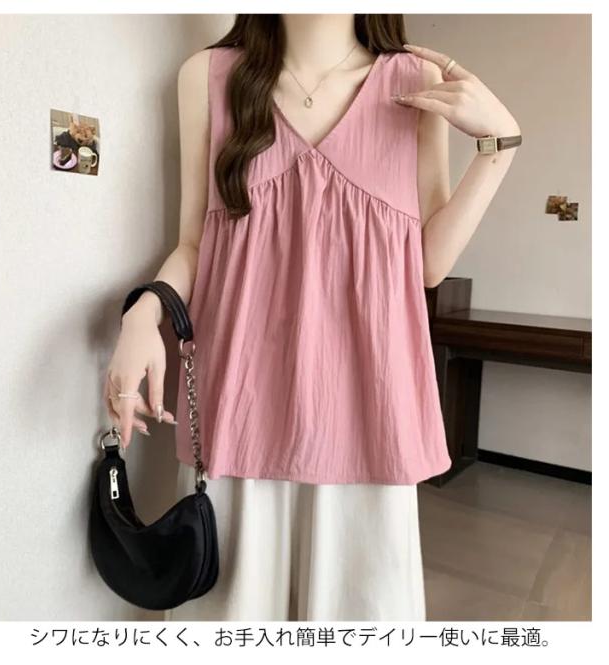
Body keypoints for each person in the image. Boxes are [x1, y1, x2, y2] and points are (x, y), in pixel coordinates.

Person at [104, 14, 521, 621]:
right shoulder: (208, 76)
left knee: (359, 618)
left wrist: (499, 147)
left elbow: (427, 264)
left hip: (367, 403)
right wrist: (143, 314)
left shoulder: (415, 80)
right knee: (233, 618)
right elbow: (195, 242)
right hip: (242, 399)